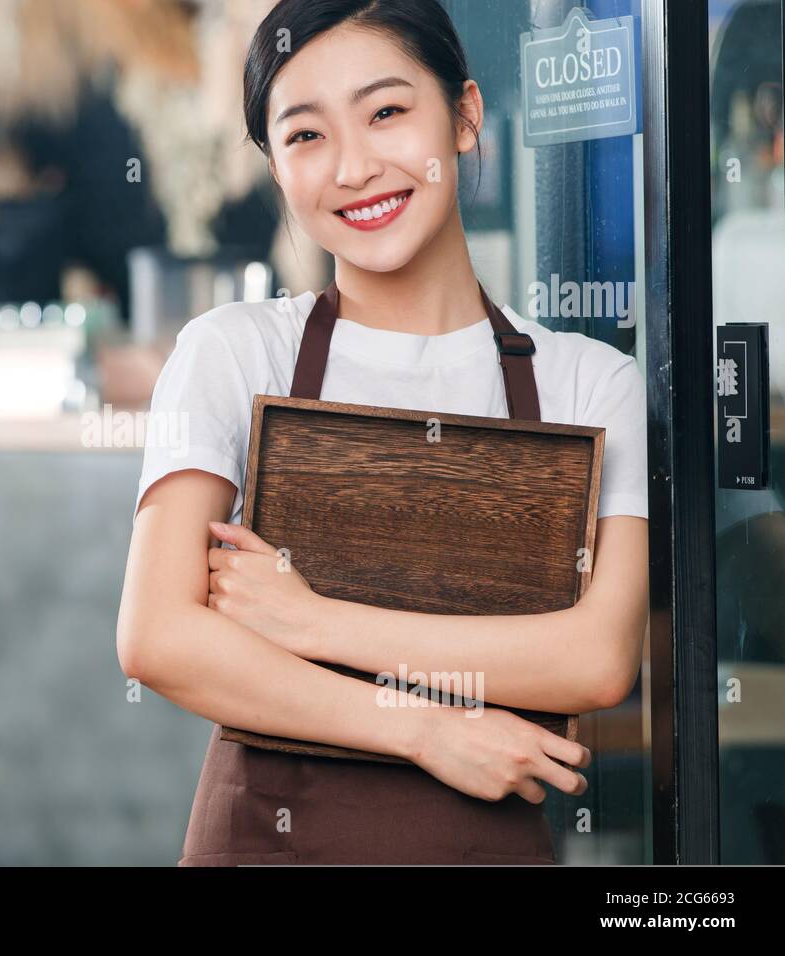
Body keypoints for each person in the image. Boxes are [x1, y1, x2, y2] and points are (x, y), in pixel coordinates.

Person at [115, 0, 650, 865]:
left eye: (388, 113)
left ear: (466, 117)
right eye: (305, 136)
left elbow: (593, 659)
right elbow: (156, 637)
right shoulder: (236, 350)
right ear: (276, 168)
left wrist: (315, 623)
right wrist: (426, 730)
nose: (355, 167)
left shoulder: (586, 380)